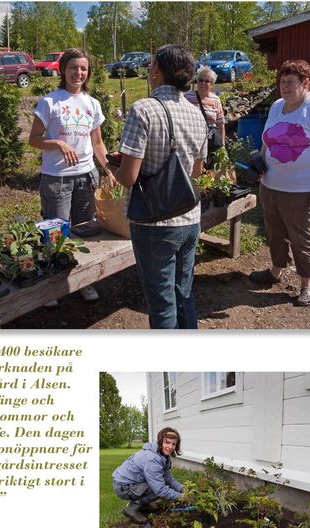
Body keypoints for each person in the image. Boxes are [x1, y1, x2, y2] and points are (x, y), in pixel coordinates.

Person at [110, 44, 208, 329]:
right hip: (190, 217)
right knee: (184, 294)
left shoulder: (143, 109)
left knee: (162, 303)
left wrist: (112, 165)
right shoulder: (197, 113)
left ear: (156, 71)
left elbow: (128, 177)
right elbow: (197, 171)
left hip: (155, 223)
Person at [29, 48, 115, 305]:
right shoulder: (50, 101)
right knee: (55, 233)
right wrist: (58, 144)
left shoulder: (92, 104)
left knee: (84, 230)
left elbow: (98, 143)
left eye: (83, 68)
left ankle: (84, 282)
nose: (79, 73)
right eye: (73, 68)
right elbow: (34, 139)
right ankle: (51, 287)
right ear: (62, 70)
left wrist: (109, 168)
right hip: (56, 178)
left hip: (85, 176)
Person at [250, 60, 310, 307]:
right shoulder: (277, 106)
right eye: (282, 82)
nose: (284, 87)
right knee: (274, 231)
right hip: (271, 184)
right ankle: (276, 270)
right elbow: (267, 141)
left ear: (306, 83)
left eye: (290, 82)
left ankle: (307, 283)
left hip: (301, 189)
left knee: (301, 236)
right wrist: (259, 166)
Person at [112, 427, 189, 528]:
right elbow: (160, 489)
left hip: (133, 483)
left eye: (173, 444)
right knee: (158, 489)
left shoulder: (163, 456)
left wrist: (183, 489)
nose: (170, 447)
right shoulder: (152, 458)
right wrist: (182, 497)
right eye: (167, 442)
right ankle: (132, 508)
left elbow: (169, 479)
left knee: (160, 485)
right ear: (160, 441)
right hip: (123, 486)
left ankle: (143, 504)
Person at [184, 67, 226, 166]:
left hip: (210, 142)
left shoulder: (215, 100)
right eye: (200, 80)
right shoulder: (187, 97)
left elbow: (221, 124)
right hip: (191, 142)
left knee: (209, 172)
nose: (203, 83)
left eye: (207, 81)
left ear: (211, 84)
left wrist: (222, 145)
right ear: (196, 81)